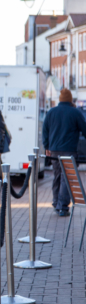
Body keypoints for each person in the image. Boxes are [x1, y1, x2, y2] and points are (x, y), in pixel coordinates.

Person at [43, 88, 86, 217]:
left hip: (54, 151)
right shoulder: (75, 112)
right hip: (69, 151)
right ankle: (62, 207)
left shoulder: (51, 112)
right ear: (70, 99)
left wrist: (47, 146)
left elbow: (45, 131)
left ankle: (56, 203)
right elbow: (84, 130)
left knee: (56, 176)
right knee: (66, 178)